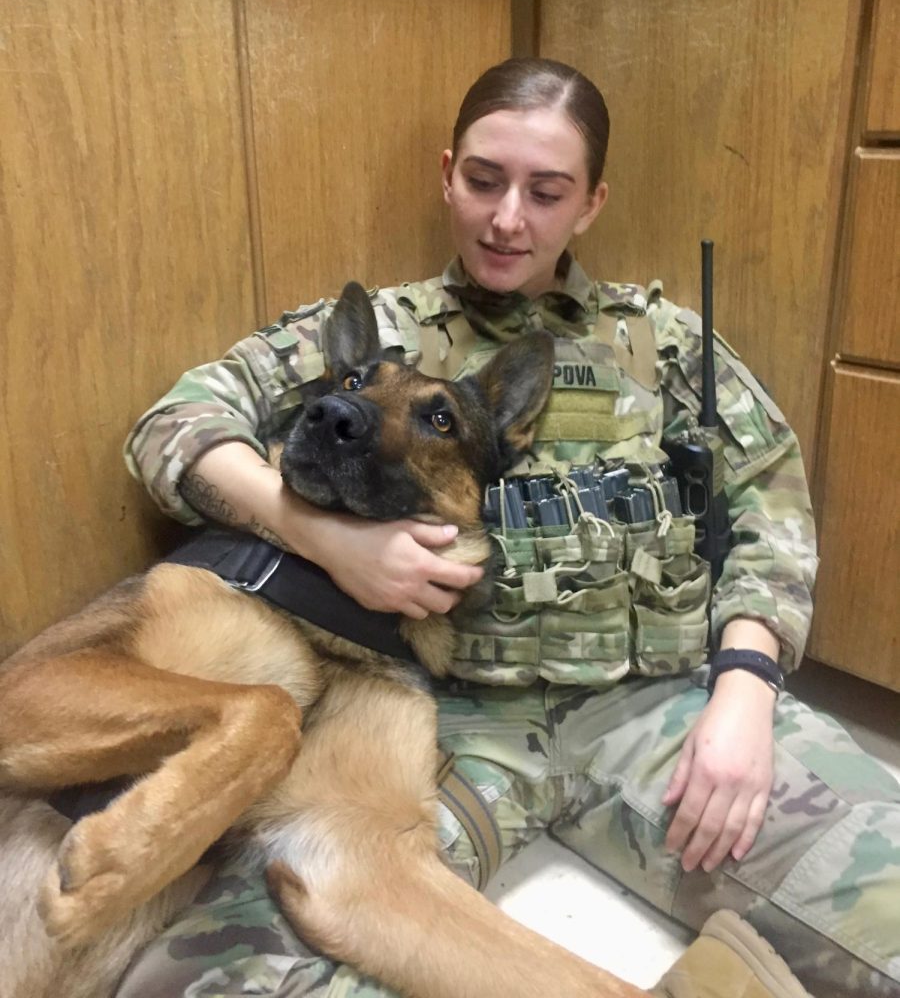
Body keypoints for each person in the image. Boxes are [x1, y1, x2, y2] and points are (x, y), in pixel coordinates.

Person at [116, 58, 899, 998]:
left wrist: (746, 689)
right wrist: (320, 535)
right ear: (448, 171)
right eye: (484, 181)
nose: (506, 219)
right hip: (423, 728)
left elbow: (771, 498)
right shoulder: (372, 337)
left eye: (546, 191)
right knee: (207, 980)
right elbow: (172, 425)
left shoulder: (666, 342)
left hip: (655, 709)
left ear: (593, 202)